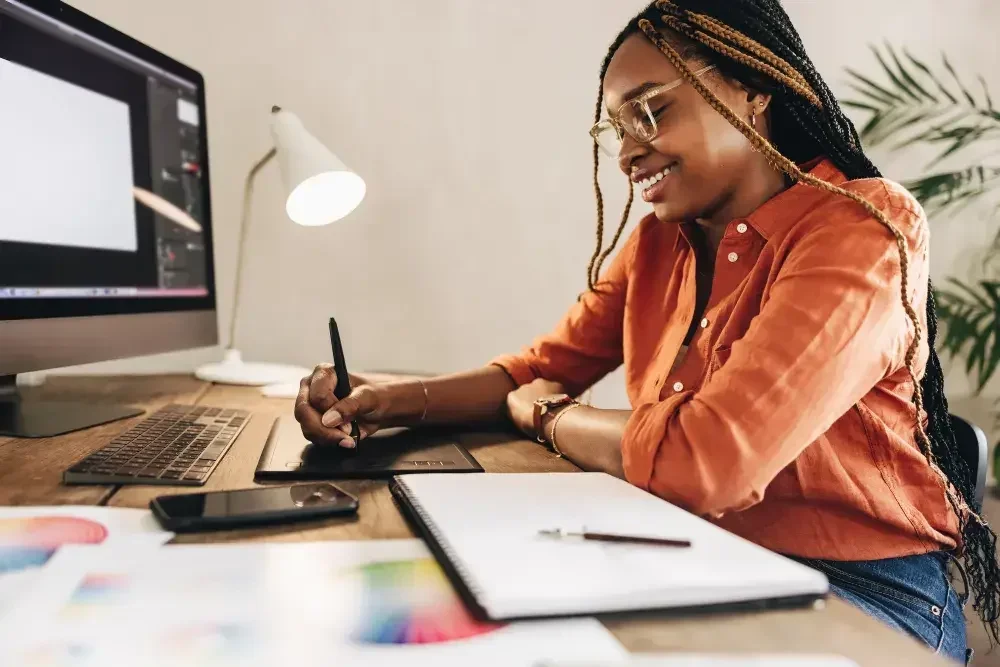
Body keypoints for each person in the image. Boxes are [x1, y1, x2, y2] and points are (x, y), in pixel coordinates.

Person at [294, 1, 998, 661]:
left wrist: (549, 415)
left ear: (754, 87)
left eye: (652, 112)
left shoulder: (862, 227)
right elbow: (533, 367)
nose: (628, 154)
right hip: (695, 551)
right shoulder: (660, 244)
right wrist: (376, 401)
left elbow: (705, 459)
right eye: (615, 129)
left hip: (866, 591)